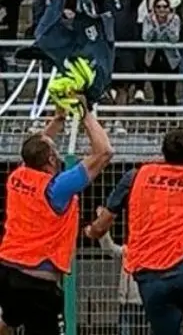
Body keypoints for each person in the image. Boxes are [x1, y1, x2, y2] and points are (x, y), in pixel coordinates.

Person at [84, 90, 183, 335]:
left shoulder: (136, 176)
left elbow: (103, 224)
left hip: (151, 276)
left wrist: (90, 231)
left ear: (163, 151)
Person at [0, 107, 114, 335]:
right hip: (38, 281)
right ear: (51, 158)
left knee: (8, 321)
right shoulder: (57, 187)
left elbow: (38, 146)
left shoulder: (19, 175)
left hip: (6, 269)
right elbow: (104, 152)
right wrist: (85, 113)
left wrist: (59, 118)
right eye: (55, 150)